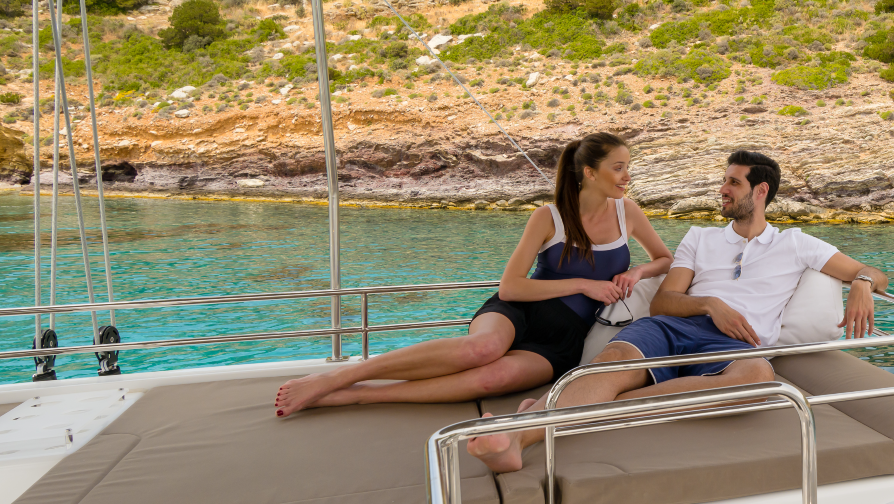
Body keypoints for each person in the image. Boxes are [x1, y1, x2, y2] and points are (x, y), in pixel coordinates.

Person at [467, 149, 889, 472]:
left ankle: (578, 405)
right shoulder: (700, 238)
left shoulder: (797, 244)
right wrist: (710, 304)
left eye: (733, 183)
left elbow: (871, 272)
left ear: (761, 191)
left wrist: (863, 285)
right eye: (724, 180)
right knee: (611, 361)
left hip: (735, 347)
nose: (722, 189)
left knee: (759, 377)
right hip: (672, 327)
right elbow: (663, 301)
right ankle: (514, 440)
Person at [274, 132, 673, 416]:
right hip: (520, 311)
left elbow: (664, 259)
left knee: (489, 379)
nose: (626, 177)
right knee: (480, 351)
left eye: (627, 168)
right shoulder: (548, 217)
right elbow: (511, 287)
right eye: (618, 168)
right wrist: (585, 284)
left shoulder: (628, 212)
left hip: (566, 337)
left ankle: (358, 396)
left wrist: (637, 272)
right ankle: (343, 376)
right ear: (588, 172)